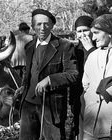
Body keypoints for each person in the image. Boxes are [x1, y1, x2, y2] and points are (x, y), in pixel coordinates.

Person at [19, 9, 78, 140]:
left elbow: (73, 74)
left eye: (46, 24)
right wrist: (23, 86)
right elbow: (28, 71)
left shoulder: (64, 46)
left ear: (52, 25)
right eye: (38, 24)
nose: (42, 28)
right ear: (33, 26)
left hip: (52, 108)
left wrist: (50, 79)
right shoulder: (29, 46)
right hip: (28, 105)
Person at [82, 14, 112, 139]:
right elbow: (85, 84)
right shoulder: (92, 56)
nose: (93, 38)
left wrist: (108, 91)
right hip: (90, 124)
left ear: (110, 32)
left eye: (97, 33)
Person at [69, 15, 96, 138]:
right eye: (79, 31)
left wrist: (91, 50)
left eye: (85, 30)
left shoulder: (100, 48)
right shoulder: (73, 50)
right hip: (78, 96)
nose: (83, 34)